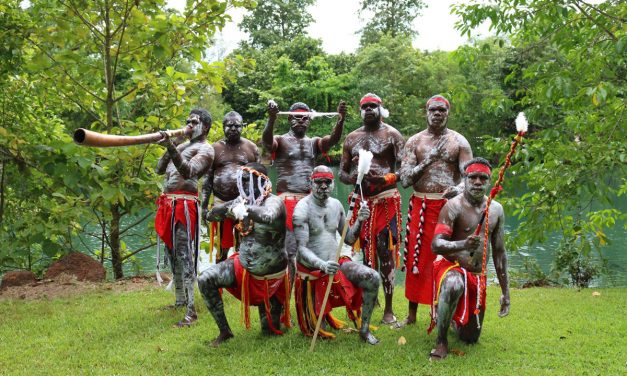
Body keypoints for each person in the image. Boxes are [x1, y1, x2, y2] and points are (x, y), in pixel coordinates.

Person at [395, 95, 473, 329]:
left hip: (449, 208)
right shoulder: (415, 142)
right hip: (421, 206)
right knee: (417, 259)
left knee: (449, 258)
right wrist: (429, 159)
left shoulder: (459, 142)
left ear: (448, 113)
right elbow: (406, 180)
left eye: (442, 110)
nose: (437, 113)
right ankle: (411, 314)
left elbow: (469, 177)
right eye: (433, 110)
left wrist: (457, 189)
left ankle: (448, 312)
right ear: (426, 112)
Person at [198, 163, 290, 347]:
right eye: (242, 181)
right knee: (205, 279)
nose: (244, 185)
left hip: (271, 277)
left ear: (262, 181)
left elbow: (268, 216)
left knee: (269, 332)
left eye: (248, 181)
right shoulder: (241, 201)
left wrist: (243, 208)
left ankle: (279, 314)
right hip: (243, 268)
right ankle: (225, 332)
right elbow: (210, 216)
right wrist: (219, 204)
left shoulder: (274, 201)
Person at [428, 157, 510, 360]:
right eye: (473, 177)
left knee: (470, 338)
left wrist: (505, 292)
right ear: (465, 179)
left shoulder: (496, 210)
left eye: (483, 178)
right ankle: (441, 341)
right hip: (451, 268)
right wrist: (462, 244)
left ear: (490, 181)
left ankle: (450, 313)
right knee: (455, 284)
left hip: (477, 275)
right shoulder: (452, 206)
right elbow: (436, 245)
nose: (478, 182)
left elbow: (499, 253)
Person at [292, 166, 381, 345]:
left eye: (327, 182)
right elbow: (301, 249)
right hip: (313, 267)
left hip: (336, 261)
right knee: (317, 328)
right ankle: (319, 318)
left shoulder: (336, 205)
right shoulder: (301, 209)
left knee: (373, 277)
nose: (323, 186)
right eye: (319, 182)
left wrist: (359, 221)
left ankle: (364, 330)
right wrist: (321, 265)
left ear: (333, 183)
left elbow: (348, 239)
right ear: (311, 183)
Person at [263, 100, 346, 287]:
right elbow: (267, 143)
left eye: (305, 118)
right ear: (289, 119)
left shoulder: (313, 143)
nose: (301, 120)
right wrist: (271, 119)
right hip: (287, 200)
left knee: (310, 249)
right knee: (291, 251)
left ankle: (307, 295)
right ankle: (286, 297)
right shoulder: (281, 140)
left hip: (310, 202)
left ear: (309, 120)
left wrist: (340, 120)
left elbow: (332, 141)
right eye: (297, 117)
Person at [339, 93, 405, 324]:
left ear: (381, 109)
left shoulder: (392, 135)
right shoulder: (351, 138)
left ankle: (388, 309)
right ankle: (371, 298)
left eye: (373, 106)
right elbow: (341, 174)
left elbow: (405, 172)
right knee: (366, 252)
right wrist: (356, 177)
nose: (368, 110)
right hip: (362, 201)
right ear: (360, 111)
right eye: (365, 107)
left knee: (385, 253)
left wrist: (384, 179)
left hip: (386, 200)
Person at [154, 109, 215, 327]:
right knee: (172, 253)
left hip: (185, 204)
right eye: (187, 121)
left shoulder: (206, 149)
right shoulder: (181, 146)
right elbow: (159, 169)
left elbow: (189, 171)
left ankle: (191, 311)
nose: (189, 124)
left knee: (184, 254)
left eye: (194, 122)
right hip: (168, 203)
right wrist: (173, 143)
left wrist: (171, 146)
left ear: (205, 127)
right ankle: (180, 299)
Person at [201, 111, 259, 262]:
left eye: (237, 126)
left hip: (244, 204)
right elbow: (207, 180)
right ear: (223, 127)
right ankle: (220, 282)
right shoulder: (214, 148)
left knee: (243, 247)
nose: (233, 129)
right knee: (222, 248)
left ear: (242, 127)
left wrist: (257, 206)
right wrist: (204, 206)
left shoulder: (252, 148)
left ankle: (240, 282)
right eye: (229, 125)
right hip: (221, 203)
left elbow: (259, 179)